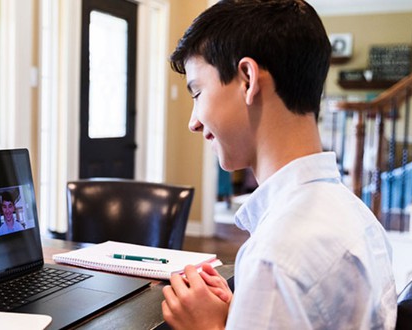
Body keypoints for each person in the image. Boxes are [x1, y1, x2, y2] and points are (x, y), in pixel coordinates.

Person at [161, 1, 397, 329]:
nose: (194, 123)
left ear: (247, 79)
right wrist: (244, 309)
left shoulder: (277, 258)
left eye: (197, 93)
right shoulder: (358, 217)